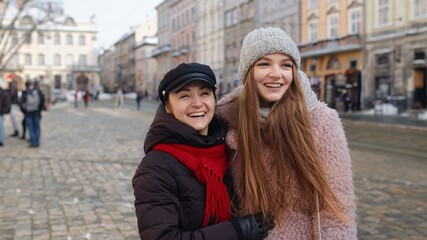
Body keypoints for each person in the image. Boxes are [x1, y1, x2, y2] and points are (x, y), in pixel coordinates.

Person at [216, 27, 357, 239]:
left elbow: (337, 212)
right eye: (264, 64)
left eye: (285, 65)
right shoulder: (227, 118)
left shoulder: (320, 122)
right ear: (247, 72)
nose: (276, 73)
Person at [132, 63, 274, 240]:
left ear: (214, 99)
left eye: (204, 93)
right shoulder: (155, 167)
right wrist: (236, 231)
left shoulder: (230, 149)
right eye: (184, 96)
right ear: (168, 107)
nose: (197, 103)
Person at [21, 80, 45, 148]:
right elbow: (42, 101)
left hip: (28, 113)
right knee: (37, 127)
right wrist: (40, 110)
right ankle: (37, 142)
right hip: (36, 112)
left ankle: (33, 142)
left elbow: (21, 102)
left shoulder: (26, 92)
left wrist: (24, 111)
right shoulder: (38, 92)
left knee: (31, 128)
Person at [0, 78, 11, 146]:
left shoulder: (3, 93)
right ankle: (1, 140)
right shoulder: (4, 92)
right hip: (1, 112)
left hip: (0, 111)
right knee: (1, 127)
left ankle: (1, 140)